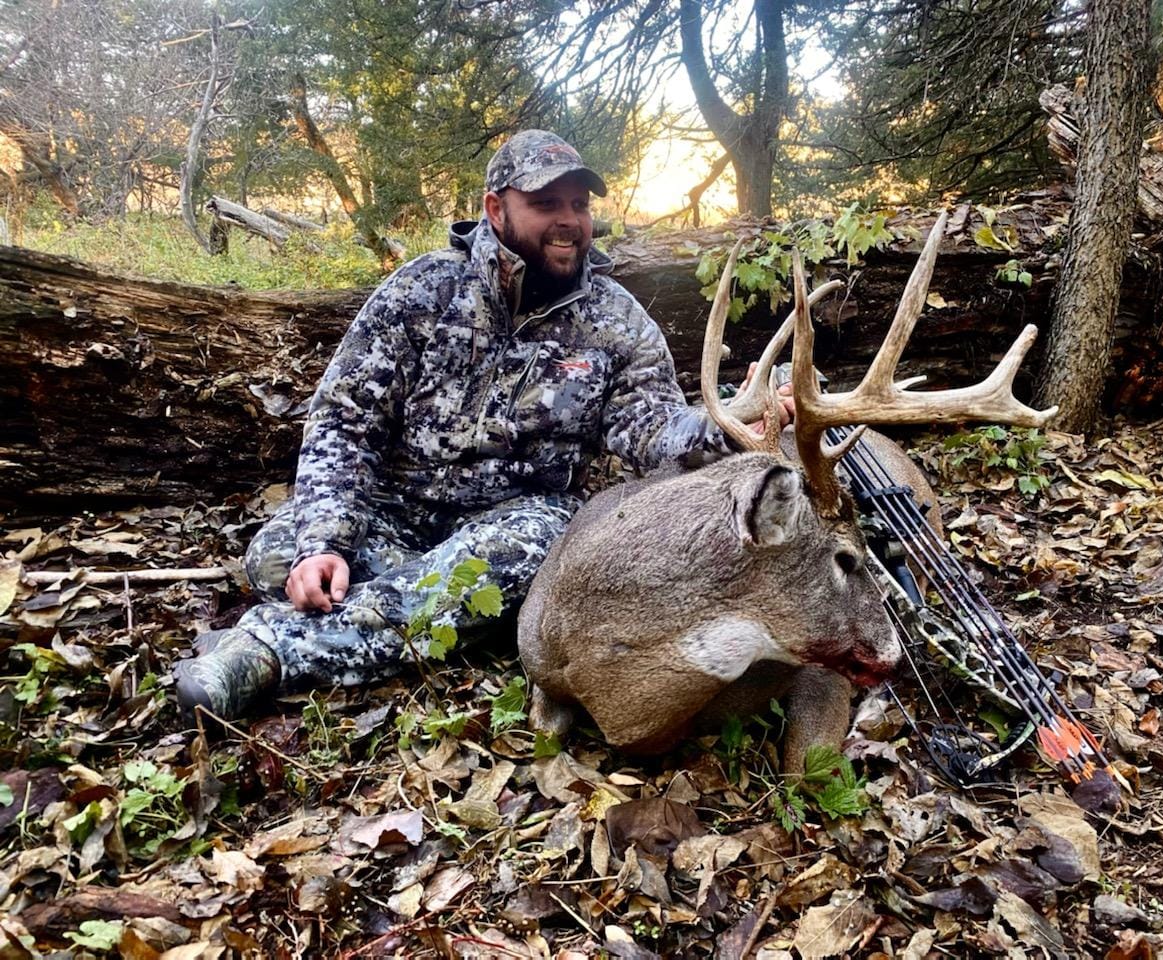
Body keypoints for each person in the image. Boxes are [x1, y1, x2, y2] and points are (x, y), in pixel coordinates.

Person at [173, 130, 791, 720]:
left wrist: (734, 424)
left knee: (512, 559)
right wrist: (325, 543)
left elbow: (654, 428)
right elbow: (345, 423)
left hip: (518, 522)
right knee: (278, 556)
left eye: (578, 204)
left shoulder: (618, 323)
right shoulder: (421, 291)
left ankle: (266, 651)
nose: (569, 220)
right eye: (545, 203)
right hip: (396, 508)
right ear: (496, 210)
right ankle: (439, 606)